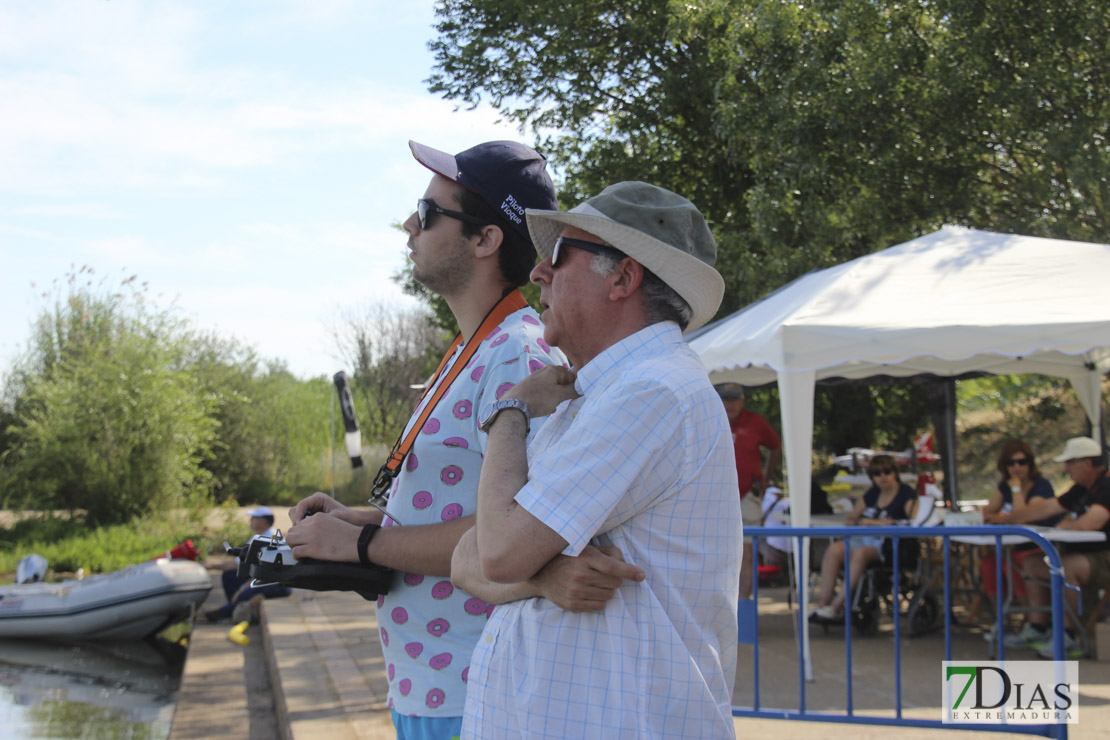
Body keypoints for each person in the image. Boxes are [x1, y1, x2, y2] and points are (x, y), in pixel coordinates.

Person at [283, 140, 637, 740]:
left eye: (427, 213)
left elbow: (518, 530)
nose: (408, 225)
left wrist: (362, 543)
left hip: (480, 689)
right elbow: (460, 507)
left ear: (484, 239)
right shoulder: (474, 353)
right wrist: (357, 518)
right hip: (427, 683)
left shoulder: (520, 355)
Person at [451, 181, 741, 738]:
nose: (538, 272)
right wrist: (546, 578)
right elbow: (470, 558)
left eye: (558, 255)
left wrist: (510, 411)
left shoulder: (651, 391)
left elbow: (499, 553)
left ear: (624, 278)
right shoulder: (600, 394)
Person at [999, 436, 1110, 659]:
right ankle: (1039, 628)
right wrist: (1005, 520)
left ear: (1087, 464)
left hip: (1104, 557)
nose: (1066, 468)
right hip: (1090, 556)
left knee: (1065, 567)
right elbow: (1046, 509)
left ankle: (1070, 635)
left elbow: (1090, 523)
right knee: (1032, 563)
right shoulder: (1083, 488)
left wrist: (1067, 525)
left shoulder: (1107, 485)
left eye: (1070, 462)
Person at [810, 454, 918, 622]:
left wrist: (875, 523)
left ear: (895, 472)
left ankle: (837, 606)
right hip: (864, 539)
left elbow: (911, 522)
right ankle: (823, 604)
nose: (882, 476)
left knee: (862, 553)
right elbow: (850, 519)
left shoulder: (906, 494)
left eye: (887, 471)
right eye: (877, 473)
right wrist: (861, 522)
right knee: (834, 549)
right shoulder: (872, 494)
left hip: (890, 545)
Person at [716, 381, 782, 599]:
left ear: (742, 401)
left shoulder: (756, 422)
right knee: (716, 552)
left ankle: (743, 607)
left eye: (734, 399)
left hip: (747, 496)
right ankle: (718, 604)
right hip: (714, 497)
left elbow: (775, 446)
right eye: (726, 399)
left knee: (747, 553)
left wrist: (765, 480)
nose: (730, 404)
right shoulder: (710, 417)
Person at [978, 440, 1058, 607]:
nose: (1017, 467)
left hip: (1039, 546)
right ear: (1004, 466)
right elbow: (987, 514)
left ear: (1030, 463)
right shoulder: (1004, 486)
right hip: (1013, 546)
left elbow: (1024, 516)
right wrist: (1005, 516)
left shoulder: (1041, 485)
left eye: (1022, 462)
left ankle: (1030, 618)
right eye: (1011, 463)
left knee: (1012, 563)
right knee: (988, 563)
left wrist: (1016, 490)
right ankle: (1001, 619)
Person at [205, 506, 291, 623]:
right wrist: (210, 565)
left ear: (264, 522)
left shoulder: (270, 538)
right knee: (229, 576)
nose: (250, 520)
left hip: (278, 585)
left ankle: (223, 613)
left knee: (246, 591)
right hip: (265, 579)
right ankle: (236, 609)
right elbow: (239, 562)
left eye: (254, 518)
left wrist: (242, 588)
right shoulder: (258, 536)